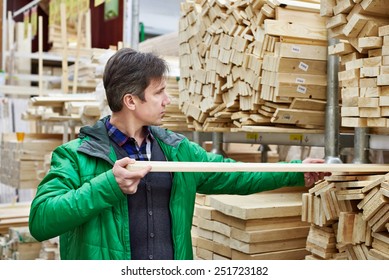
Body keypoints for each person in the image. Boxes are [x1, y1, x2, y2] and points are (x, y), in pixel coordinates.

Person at [29, 48, 328, 260]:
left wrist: (297, 169)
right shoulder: (75, 156)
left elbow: (232, 174)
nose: (167, 100)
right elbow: (41, 221)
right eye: (159, 92)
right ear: (131, 100)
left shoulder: (176, 150)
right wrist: (109, 185)